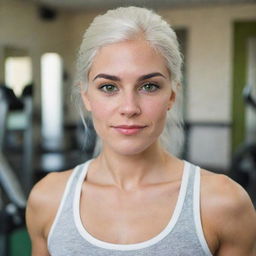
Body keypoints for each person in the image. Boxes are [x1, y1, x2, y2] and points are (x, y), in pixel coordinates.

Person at [26, 6, 256, 256]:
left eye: (148, 86)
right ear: (86, 97)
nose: (129, 108)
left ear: (172, 95)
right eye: (108, 87)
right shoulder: (48, 198)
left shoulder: (223, 202)